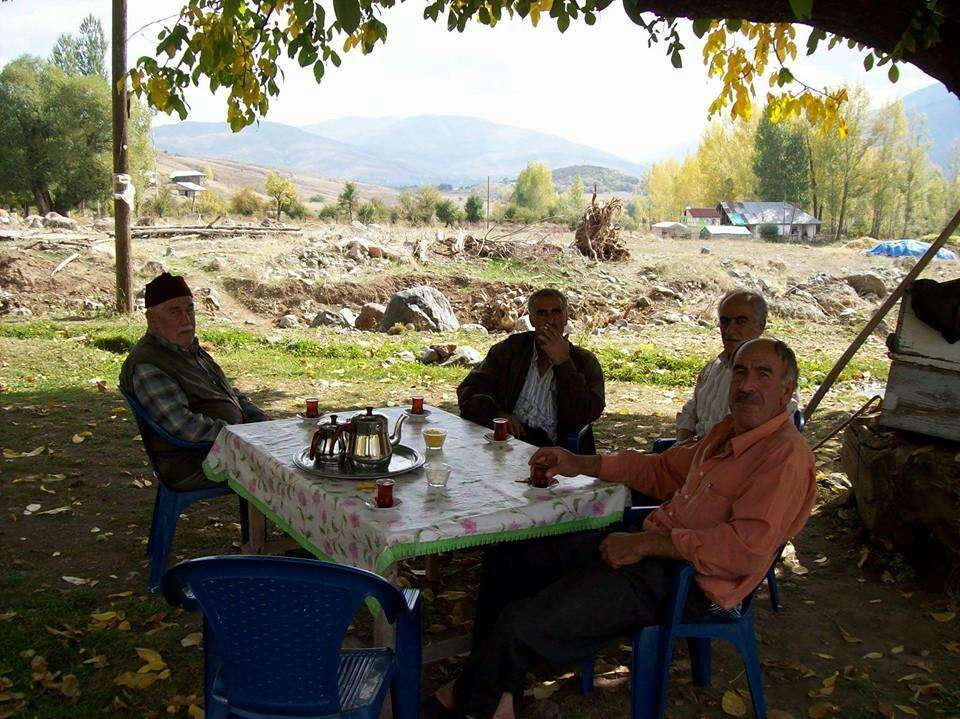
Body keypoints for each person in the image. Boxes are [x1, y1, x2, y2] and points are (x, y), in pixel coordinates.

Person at [426, 338, 816, 719]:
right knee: (511, 556)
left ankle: (460, 698)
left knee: (522, 623)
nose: (747, 385)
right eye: (741, 372)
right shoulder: (726, 433)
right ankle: (499, 691)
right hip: (651, 548)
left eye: (763, 375)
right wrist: (578, 463)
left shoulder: (784, 456)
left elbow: (741, 551)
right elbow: (660, 470)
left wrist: (646, 544)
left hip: (689, 582)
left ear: (787, 389)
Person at [119, 273, 268, 491]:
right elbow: (184, 426)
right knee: (285, 472)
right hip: (195, 461)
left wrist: (259, 419)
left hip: (227, 445)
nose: (186, 320)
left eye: (189, 309)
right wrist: (242, 435)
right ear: (152, 319)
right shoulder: (148, 364)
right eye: (174, 312)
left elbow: (227, 391)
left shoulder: (187, 349)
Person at [457, 288, 605, 453]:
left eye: (556, 312)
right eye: (542, 313)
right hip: (506, 440)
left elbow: (587, 413)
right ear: (532, 319)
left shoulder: (584, 361)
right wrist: (497, 414)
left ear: (565, 317)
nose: (550, 320)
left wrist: (564, 363)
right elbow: (469, 390)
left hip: (553, 448)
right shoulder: (511, 350)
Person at [676, 290, 798, 443]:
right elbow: (691, 410)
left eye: (741, 321)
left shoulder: (776, 374)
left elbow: (767, 438)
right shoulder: (714, 367)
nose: (730, 330)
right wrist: (680, 448)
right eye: (725, 321)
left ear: (760, 326)